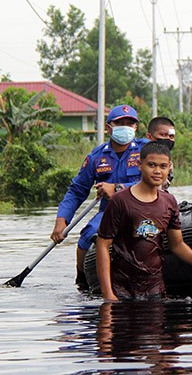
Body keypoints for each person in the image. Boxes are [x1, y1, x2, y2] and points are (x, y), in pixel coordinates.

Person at [96, 141, 192, 301]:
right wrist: (108, 295)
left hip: (155, 288)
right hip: (122, 289)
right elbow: (103, 245)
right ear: (140, 165)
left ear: (169, 168)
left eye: (163, 166)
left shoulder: (169, 202)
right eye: (152, 165)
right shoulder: (120, 201)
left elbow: (177, 245)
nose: (157, 171)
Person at [51, 105, 145, 289]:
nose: (125, 127)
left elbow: (156, 182)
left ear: (136, 127)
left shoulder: (147, 151)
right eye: (120, 123)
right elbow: (77, 190)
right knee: (86, 236)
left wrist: (118, 188)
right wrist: (62, 220)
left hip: (142, 206)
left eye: (129, 123)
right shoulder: (96, 156)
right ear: (109, 128)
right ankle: (82, 280)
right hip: (110, 211)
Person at [146, 116, 177, 188]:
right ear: (149, 136)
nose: (168, 139)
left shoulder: (169, 163)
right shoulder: (141, 157)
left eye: (171, 136)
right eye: (163, 135)